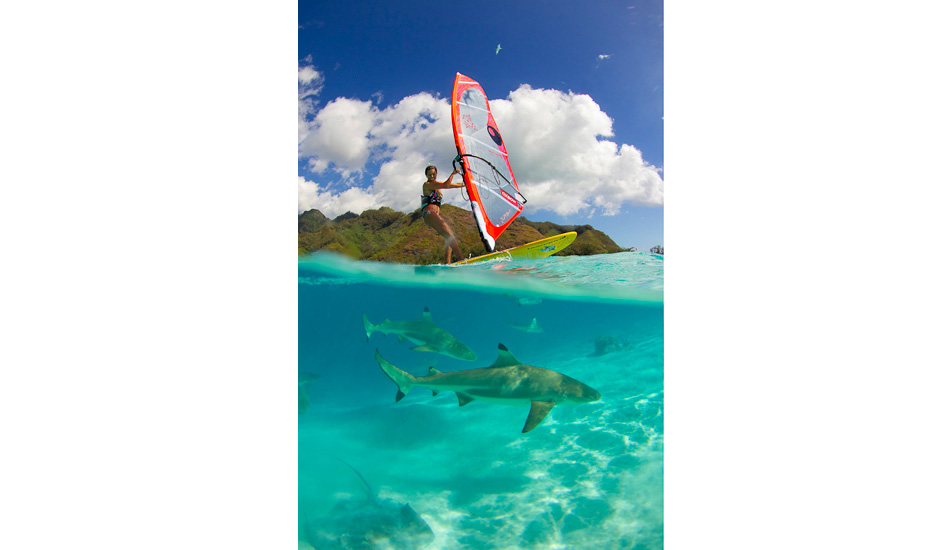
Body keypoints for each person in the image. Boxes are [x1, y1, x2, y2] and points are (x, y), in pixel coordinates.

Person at [420, 164, 465, 264]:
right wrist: (453, 174)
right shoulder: (427, 185)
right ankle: (460, 258)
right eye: (429, 174)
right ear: (426, 175)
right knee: (449, 234)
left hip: (434, 214)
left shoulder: (438, 186)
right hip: (429, 213)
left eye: (433, 174)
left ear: (436, 174)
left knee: (449, 235)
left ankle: (447, 263)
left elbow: (454, 185)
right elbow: (446, 184)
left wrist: (466, 183)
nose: (432, 176)